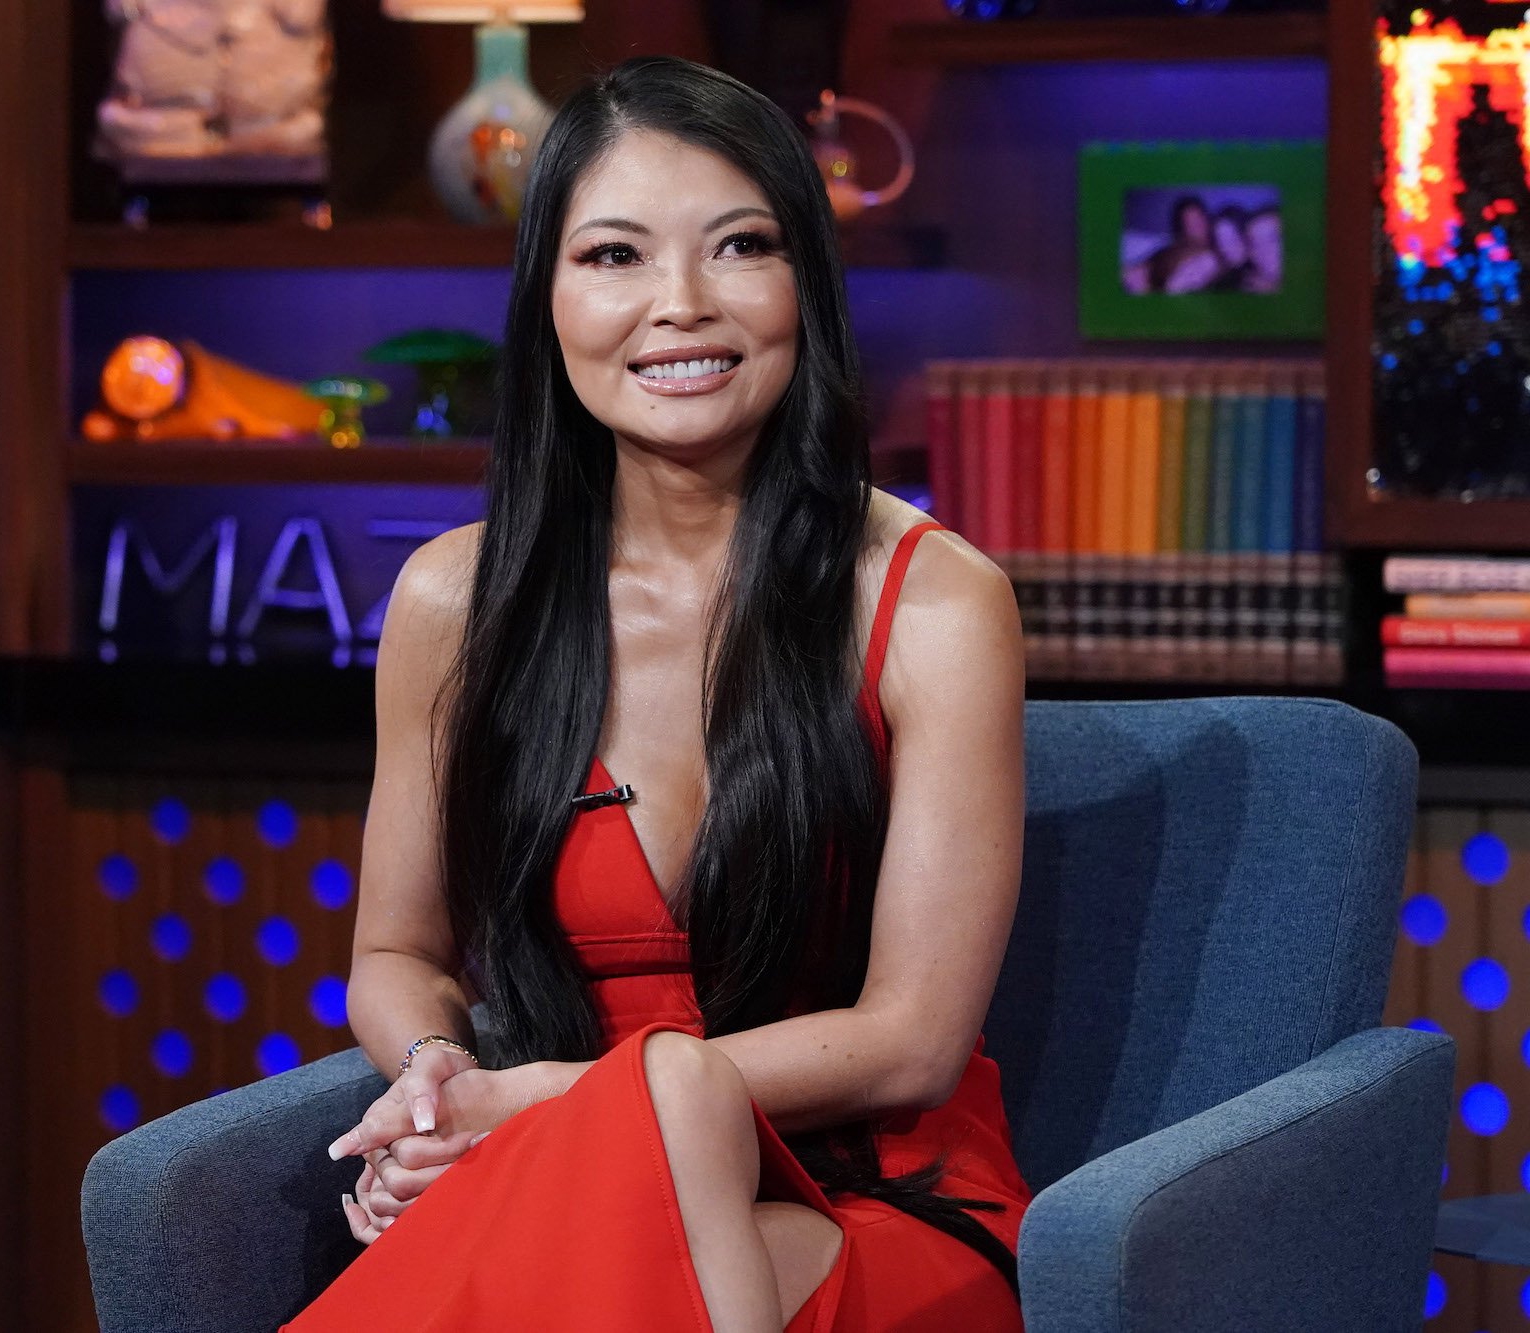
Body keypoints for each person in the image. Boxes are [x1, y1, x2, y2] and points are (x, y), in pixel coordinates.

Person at [288, 54, 1029, 1333]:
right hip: (565, 1173)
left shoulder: (935, 604)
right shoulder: (449, 607)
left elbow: (910, 1039)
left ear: (806, 282)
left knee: (662, 1123)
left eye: (739, 245)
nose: (678, 305)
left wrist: (530, 1106)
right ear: (549, 299)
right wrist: (430, 1081)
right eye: (614, 256)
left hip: (863, 1196)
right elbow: (395, 954)